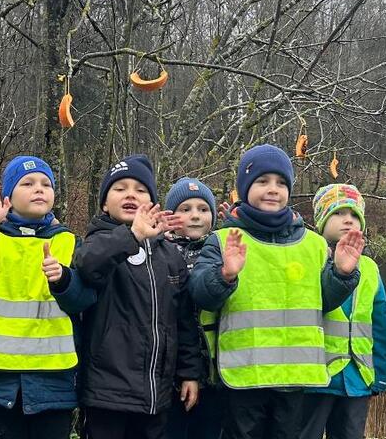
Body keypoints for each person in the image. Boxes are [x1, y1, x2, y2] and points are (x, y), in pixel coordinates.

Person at [188, 144, 364, 439]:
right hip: (243, 378)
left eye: (281, 183)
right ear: (244, 189)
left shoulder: (314, 244)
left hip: (294, 381)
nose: (273, 189)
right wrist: (225, 275)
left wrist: (342, 275)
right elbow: (200, 294)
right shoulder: (223, 240)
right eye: (262, 181)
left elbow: (324, 302)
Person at [0, 155, 96, 439]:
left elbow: (83, 300)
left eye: (46, 183)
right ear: (8, 196)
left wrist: (63, 280)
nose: (39, 189)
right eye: (27, 183)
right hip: (4, 379)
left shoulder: (67, 241)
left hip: (54, 379)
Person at [72, 155, 206, 439]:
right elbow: (87, 266)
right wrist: (131, 237)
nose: (131, 193)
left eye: (140, 189)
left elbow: (183, 319)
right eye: (120, 188)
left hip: (156, 393)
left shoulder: (169, 254)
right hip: (106, 393)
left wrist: (189, 373)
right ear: (105, 204)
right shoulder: (98, 242)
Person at [299, 184, 386, 439]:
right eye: (338, 213)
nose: (348, 220)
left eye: (354, 215)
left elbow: (381, 325)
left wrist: (381, 373)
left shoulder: (370, 269)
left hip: (357, 379)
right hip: (316, 379)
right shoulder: (310, 259)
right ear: (321, 220)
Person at [162, 177, 222, 439]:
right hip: (172, 369)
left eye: (203, 209)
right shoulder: (160, 251)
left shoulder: (221, 251)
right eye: (185, 209)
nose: (195, 216)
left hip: (216, 370)